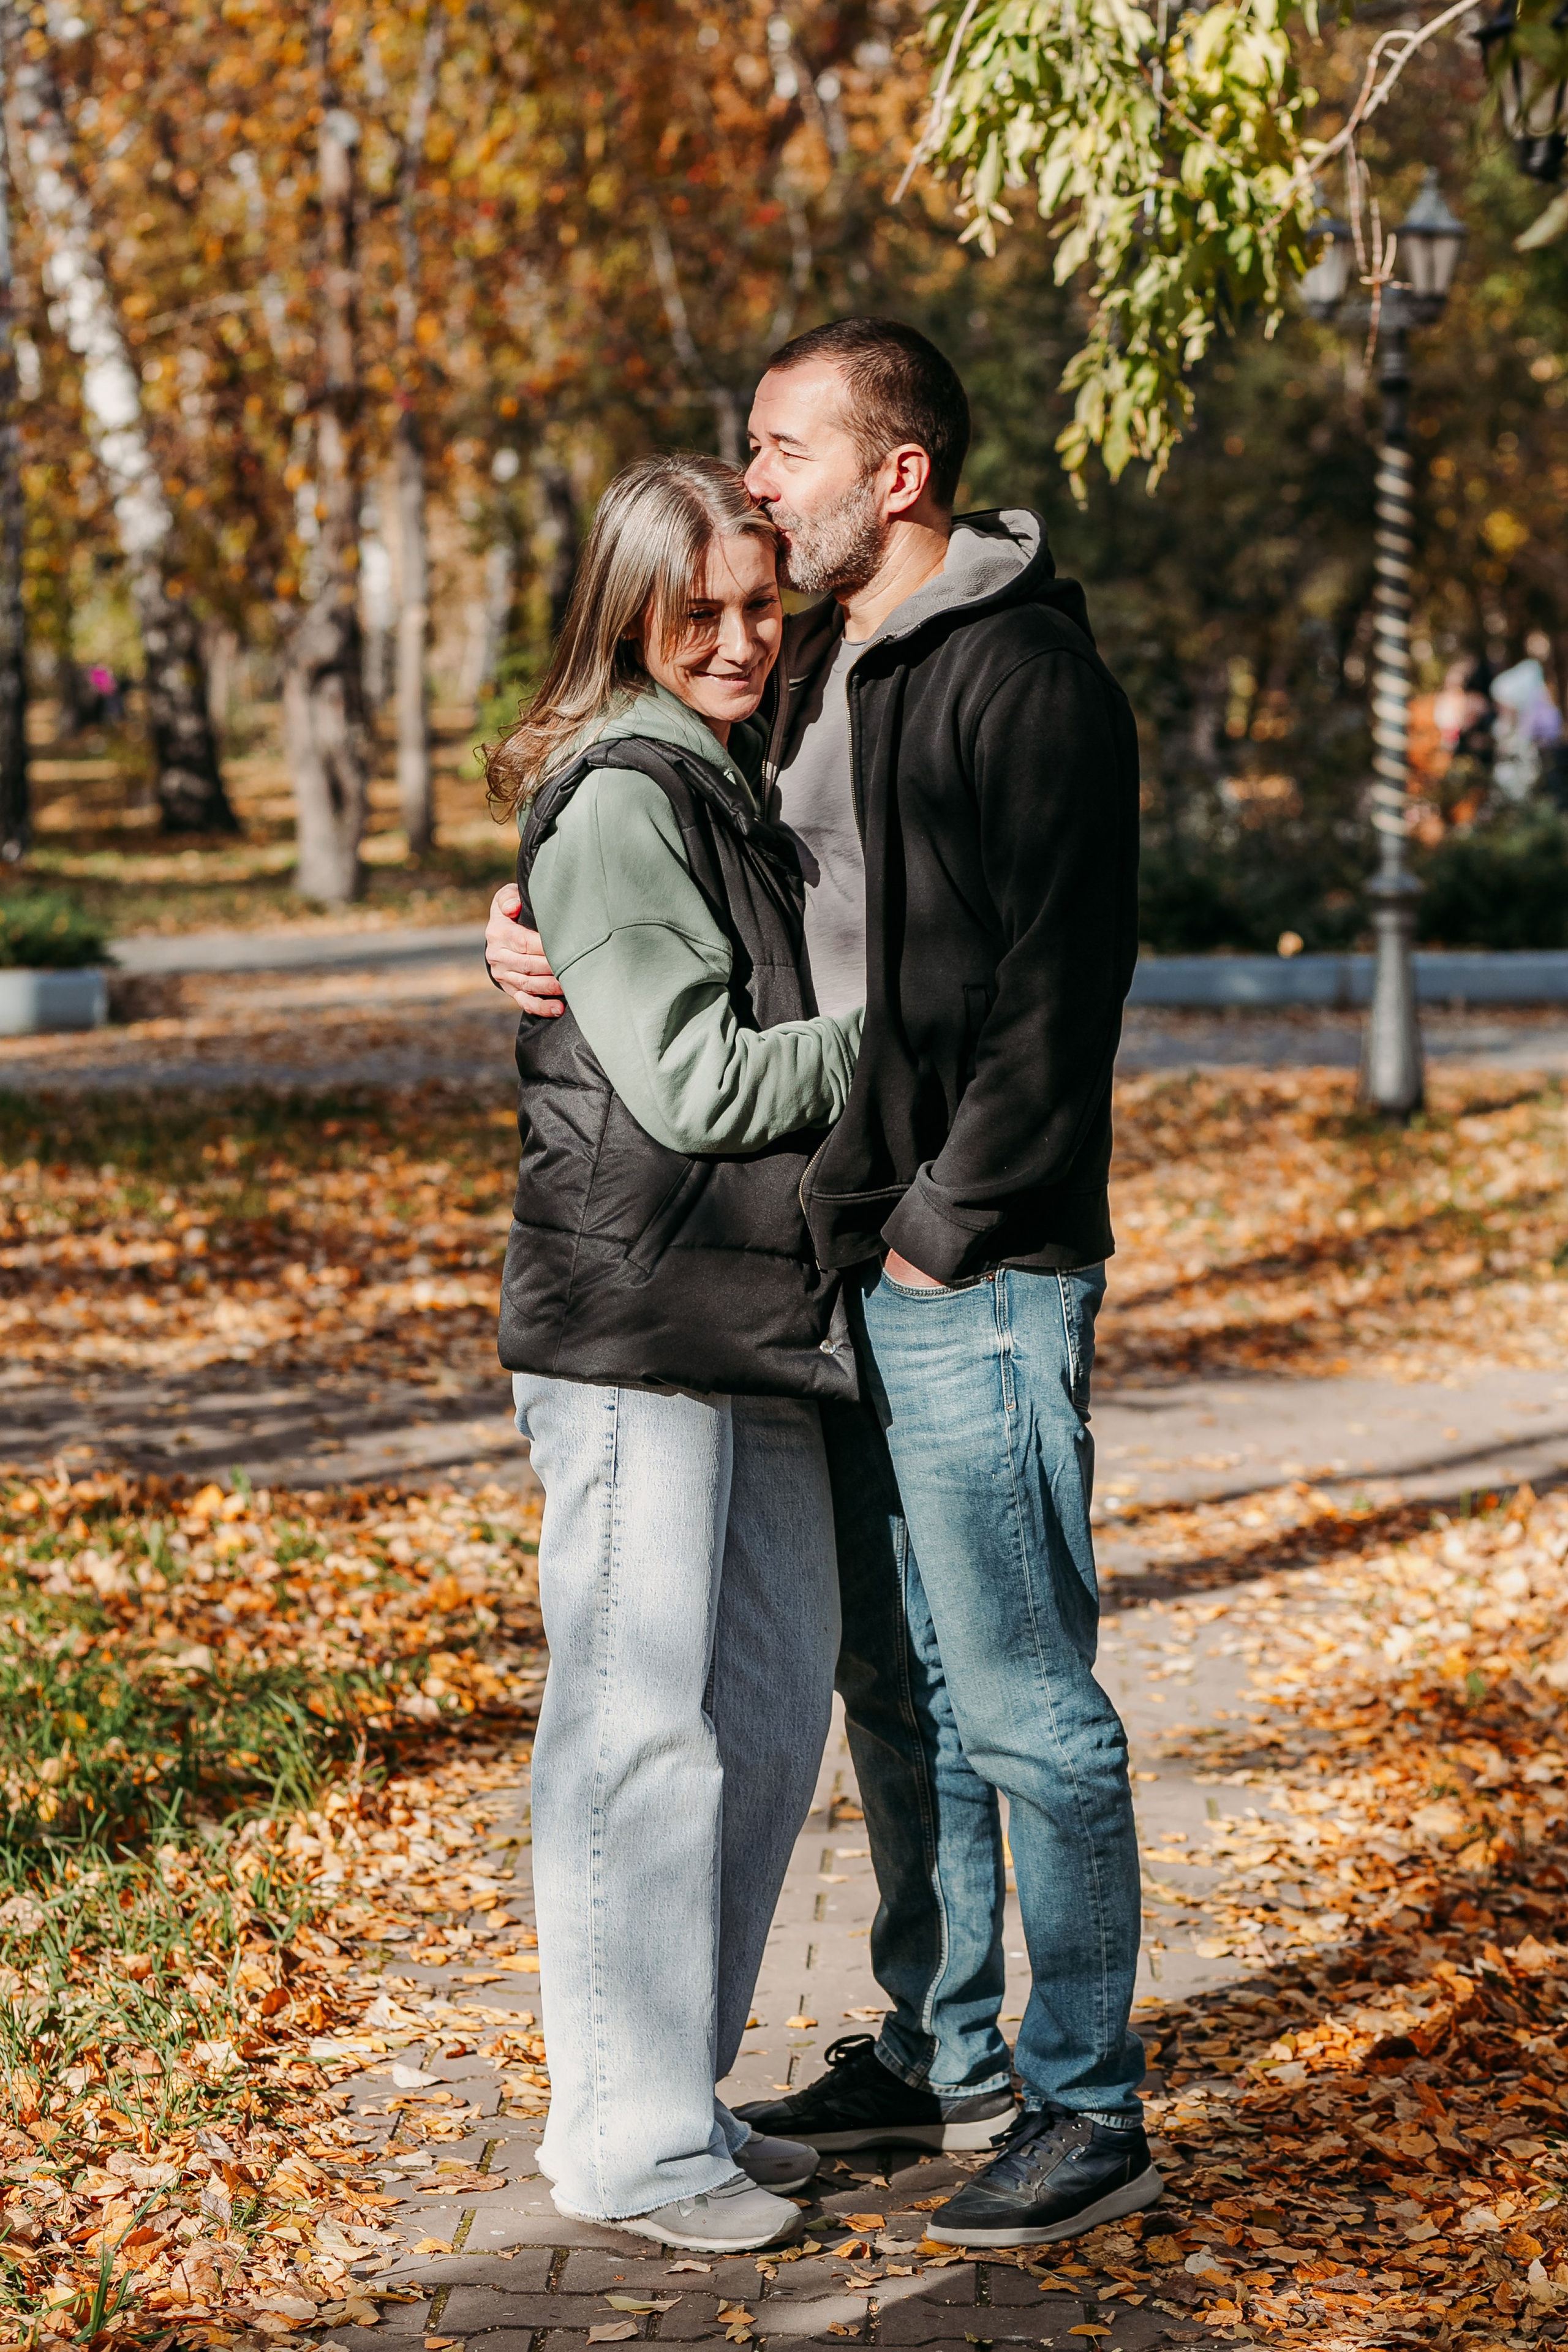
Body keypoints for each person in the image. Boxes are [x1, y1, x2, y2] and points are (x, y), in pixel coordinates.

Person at [487, 320, 1152, 2252]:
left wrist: (944, 1230)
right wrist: (521, 918)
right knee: (892, 1686)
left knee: (1023, 1700)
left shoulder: (1022, 678)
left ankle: (1087, 2099)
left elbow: (1051, 1005)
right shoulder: (807, 674)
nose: (756, 484)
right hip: (816, 1278)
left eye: (784, 451)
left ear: (899, 472)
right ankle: (936, 2051)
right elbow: (646, 849)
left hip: (969, 1268)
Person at [487, 451, 864, 2254]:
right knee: (638, 1737)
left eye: (757, 605)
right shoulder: (631, 793)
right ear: (632, 613)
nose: (735, 637)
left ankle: (677, 2096)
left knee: (770, 1712)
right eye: (695, 609)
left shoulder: (730, 779)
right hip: (638, 1323)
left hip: (745, 1317)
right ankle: (626, 2147)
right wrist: (905, 1028)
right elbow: (702, 1081)